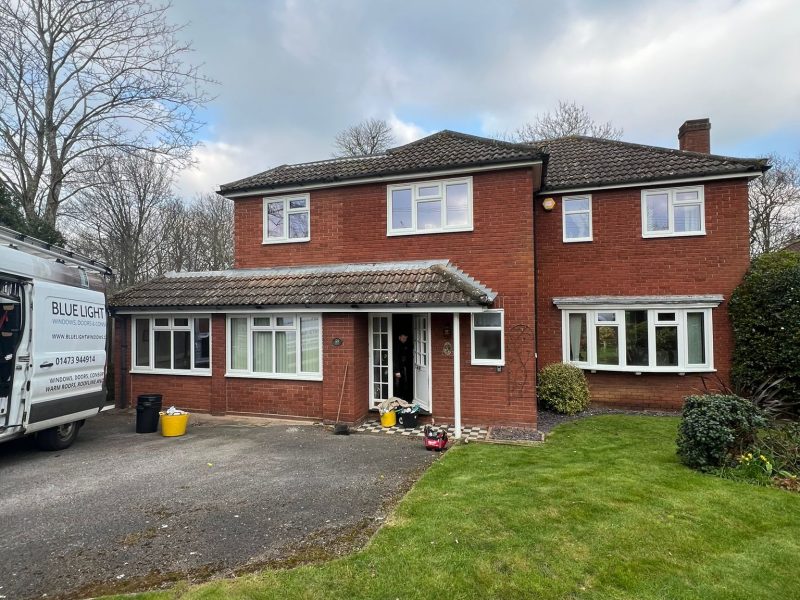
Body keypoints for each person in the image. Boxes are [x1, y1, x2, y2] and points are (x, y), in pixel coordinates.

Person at [393, 333, 413, 401]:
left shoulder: (405, 345)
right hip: (398, 368)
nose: (405, 339)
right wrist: (396, 370)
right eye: (403, 338)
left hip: (404, 367)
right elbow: (395, 358)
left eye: (406, 338)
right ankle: (397, 398)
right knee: (398, 384)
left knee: (404, 382)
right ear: (399, 337)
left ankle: (403, 397)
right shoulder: (396, 346)